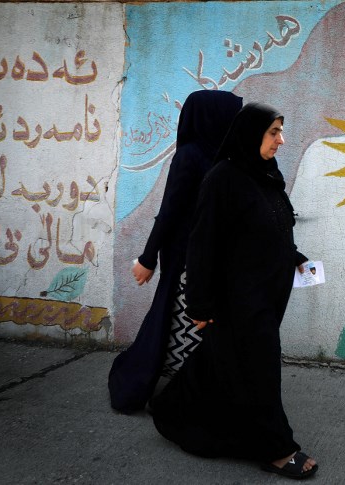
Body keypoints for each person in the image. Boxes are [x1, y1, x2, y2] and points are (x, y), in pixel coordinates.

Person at [150, 103, 318, 480]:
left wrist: (295, 256)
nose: (281, 140)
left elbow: (271, 225)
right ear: (250, 134)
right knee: (260, 370)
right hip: (237, 299)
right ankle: (277, 449)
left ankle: (171, 410)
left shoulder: (266, 174)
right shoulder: (222, 178)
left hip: (267, 295)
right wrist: (199, 304)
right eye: (273, 132)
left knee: (220, 366)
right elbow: (203, 244)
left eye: (280, 131)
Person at [108, 90, 243, 414]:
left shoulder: (226, 156)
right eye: (232, 115)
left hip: (215, 258)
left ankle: (194, 391)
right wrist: (147, 257)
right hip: (186, 259)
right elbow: (169, 210)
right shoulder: (190, 156)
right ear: (213, 117)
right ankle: (175, 394)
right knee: (183, 323)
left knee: (200, 325)